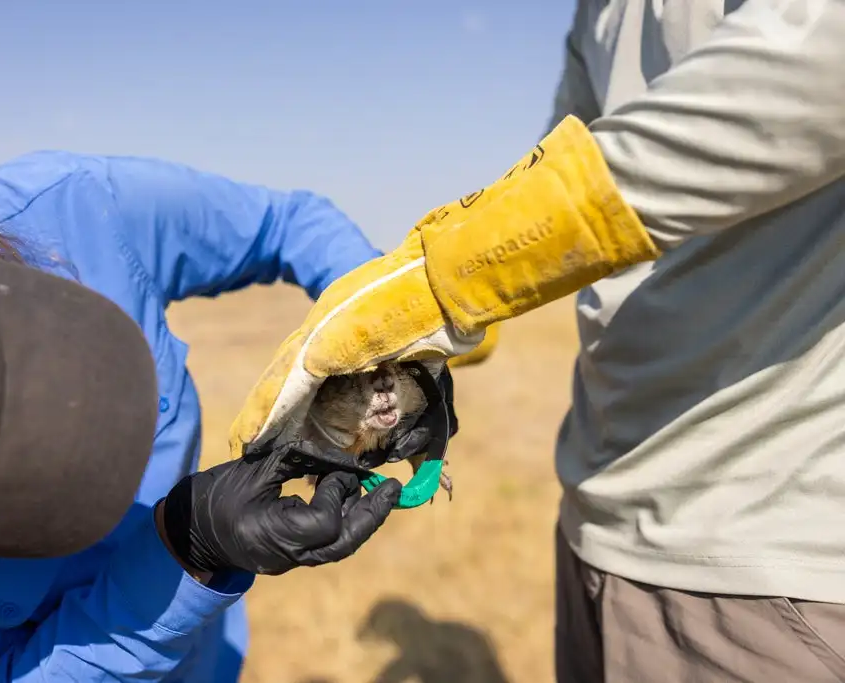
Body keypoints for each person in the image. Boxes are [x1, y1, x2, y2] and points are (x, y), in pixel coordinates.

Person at [233, 0, 845, 680]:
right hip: (596, 514)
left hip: (759, 555)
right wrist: (459, 329)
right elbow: (562, 162)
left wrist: (446, 283)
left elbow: (812, 75)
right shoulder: (601, 12)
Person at [0, 153, 462, 683]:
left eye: (6, 358)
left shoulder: (66, 212)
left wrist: (385, 349)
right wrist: (188, 551)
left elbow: (285, 224)